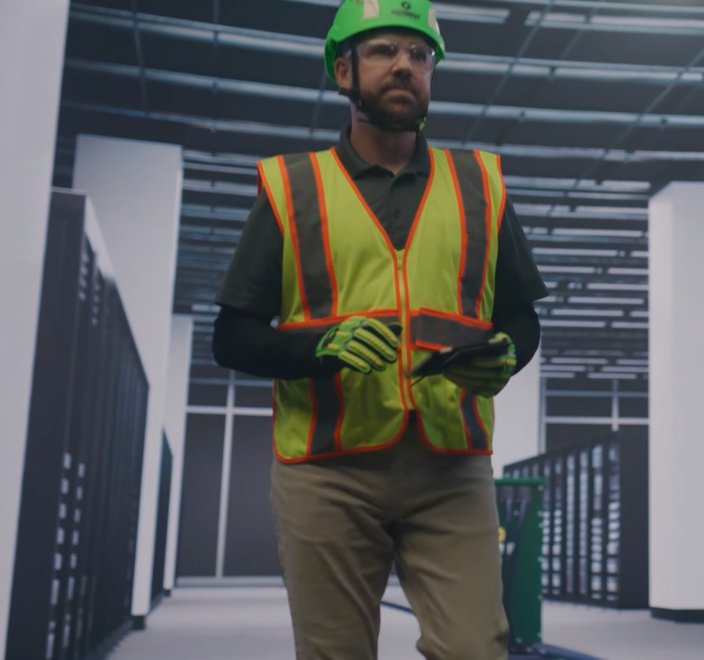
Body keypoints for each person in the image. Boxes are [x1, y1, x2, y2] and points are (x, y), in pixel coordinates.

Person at [211, 0, 547, 657]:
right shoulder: (292, 188)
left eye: (419, 55)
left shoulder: (481, 184)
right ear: (343, 71)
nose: (404, 66)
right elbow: (232, 337)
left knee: (477, 648)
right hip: (328, 472)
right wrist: (319, 347)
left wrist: (508, 354)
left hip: (451, 466)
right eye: (382, 51)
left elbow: (521, 317)